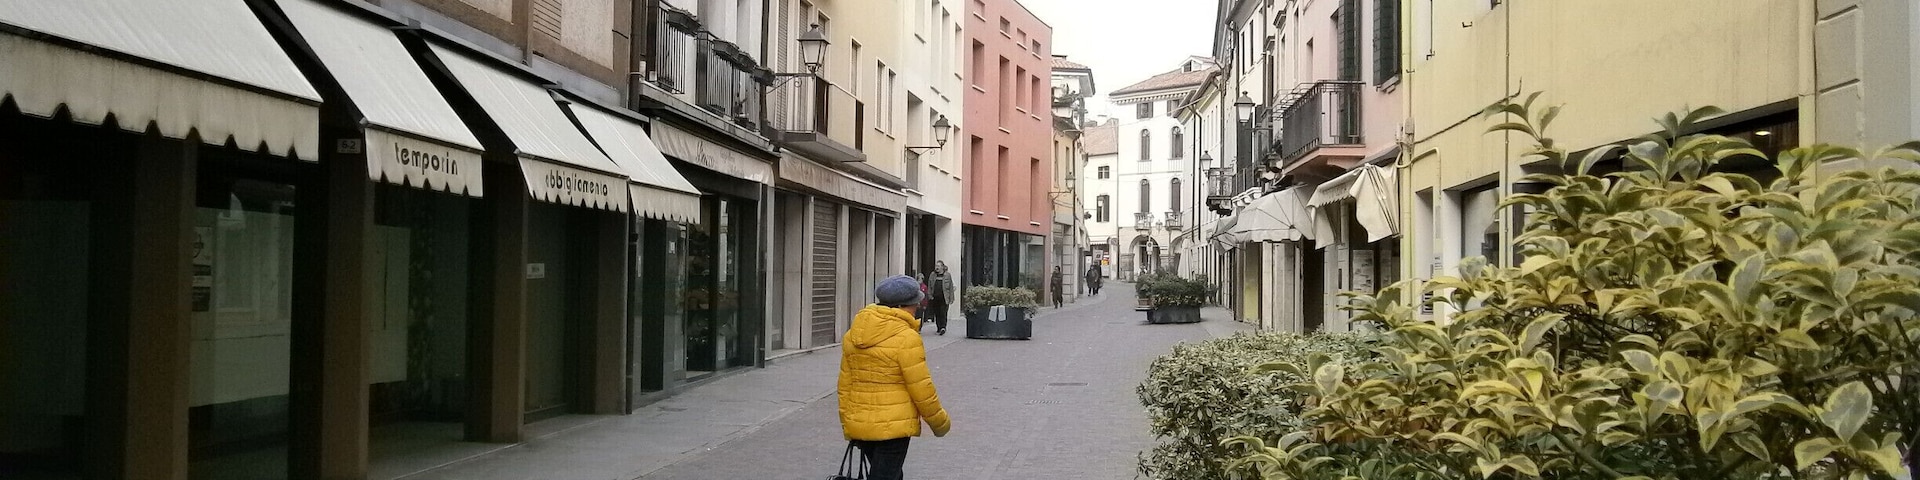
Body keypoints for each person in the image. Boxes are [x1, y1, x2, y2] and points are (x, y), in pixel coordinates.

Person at [839, 275, 952, 480]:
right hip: (894, 428)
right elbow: (921, 388)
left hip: (861, 423)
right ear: (902, 306)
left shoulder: (852, 335)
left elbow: (845, 384)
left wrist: (848, 421)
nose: (918, 306)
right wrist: (939, 422)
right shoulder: (906, 338)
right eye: (914, 303)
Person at [927, 262, 955, 335]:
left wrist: (951, 298)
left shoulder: (947, 275)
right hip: (935, 297)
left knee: (943, 313)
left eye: (938, 266)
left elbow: (951, 287)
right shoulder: (932, 275)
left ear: (942, 267)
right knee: (937, 313)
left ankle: (943, 327)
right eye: (936, 266)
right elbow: (929, 286)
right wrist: (929, 295)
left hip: (944, 297)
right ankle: (939, 328)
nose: (937, 267)